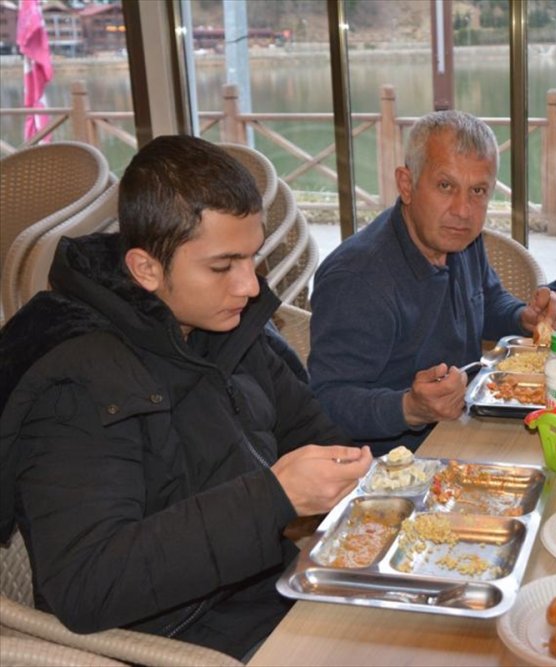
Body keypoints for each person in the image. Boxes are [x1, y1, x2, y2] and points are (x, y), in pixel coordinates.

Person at [0, 135, 373, 660]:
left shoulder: (230, 329)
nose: (248, 286)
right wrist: (274, 498)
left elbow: (319, 437)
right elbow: (88, 585)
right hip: (187, 640)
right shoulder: (78, 383)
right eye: (223, 266)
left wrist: (349, 471)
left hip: (279, 590)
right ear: (146, 269)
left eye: (252, 258)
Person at [309, 110, 556, 456]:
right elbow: (326, 400)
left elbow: (488, 300)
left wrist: (522, 317)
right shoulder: (358, 279)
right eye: (445, 186)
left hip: (465, 427)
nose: (463, 210)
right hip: (395, 464)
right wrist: (409, 407)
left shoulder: (461, 240)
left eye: (478, 190)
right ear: (407, 184)